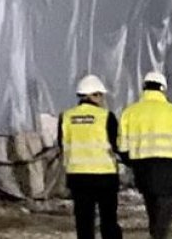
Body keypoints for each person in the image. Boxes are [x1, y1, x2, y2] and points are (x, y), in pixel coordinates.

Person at [118, 71, 172, 239]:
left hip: (143, 169)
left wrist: (134, 164)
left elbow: (122, 148)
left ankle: (156, 233)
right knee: (164, 213)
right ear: (163, 89)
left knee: (152, 207)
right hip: (169, 169)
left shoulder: (130, 113)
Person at [59, 75, 123, 239]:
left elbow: (63, 144)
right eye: (100, 95)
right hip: (105, 176)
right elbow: (118, 145)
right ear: (94, 95)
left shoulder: (66, 117)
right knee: (108, 220)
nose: (102, 99)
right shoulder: (106, 117)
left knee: (84, 221)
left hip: (77, 176)